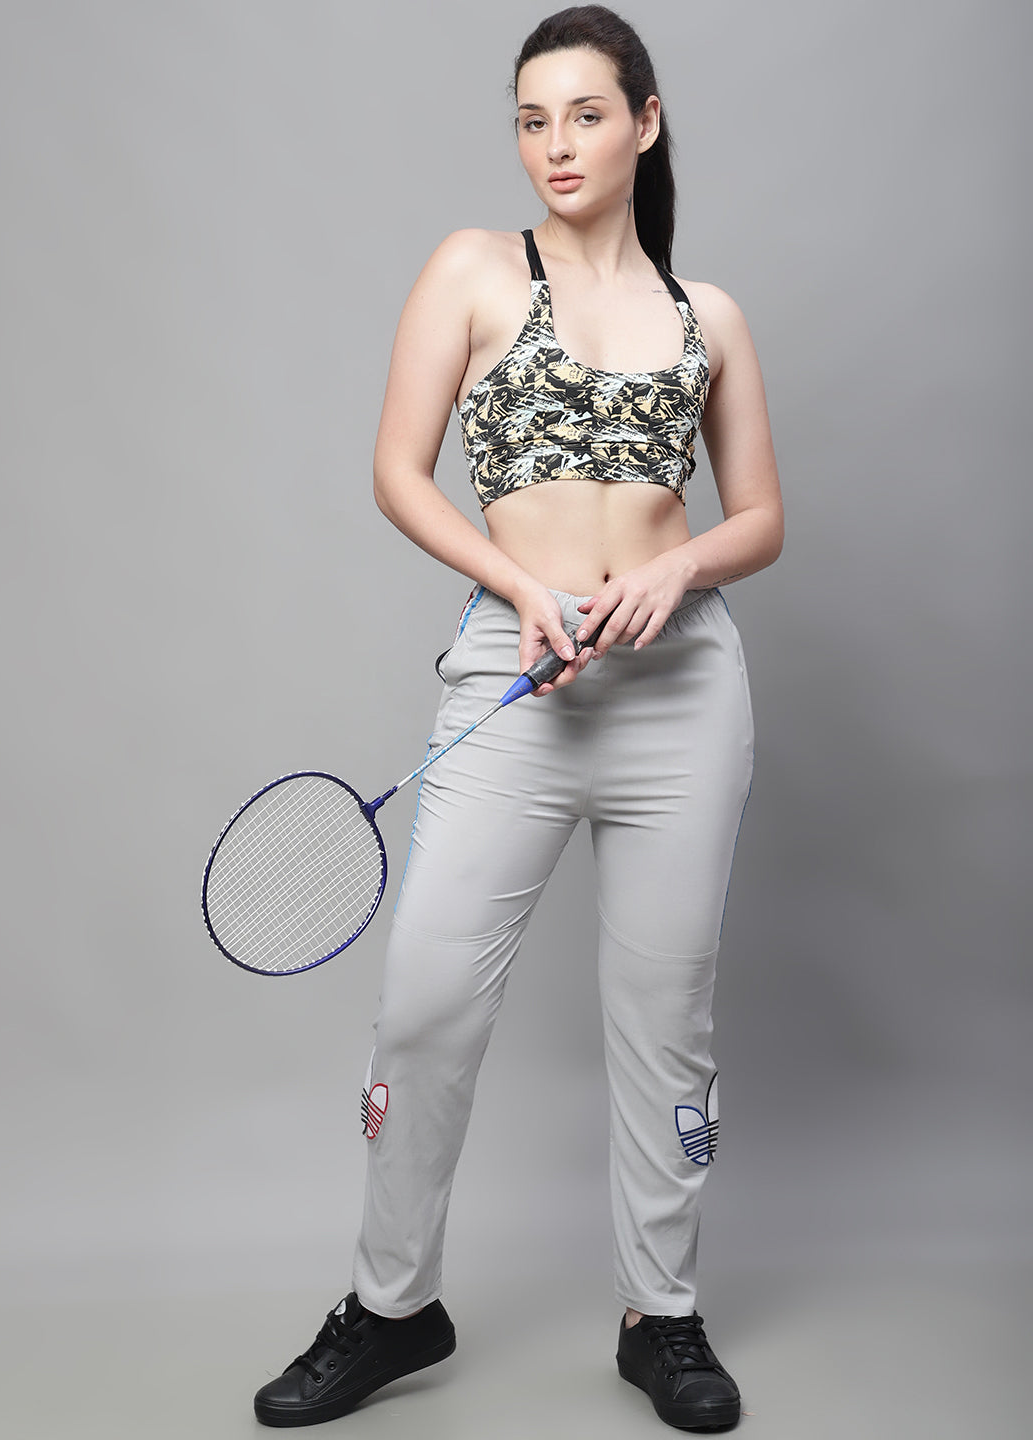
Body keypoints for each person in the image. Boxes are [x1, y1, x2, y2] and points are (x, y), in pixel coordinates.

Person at [254, 5, 782, 1431]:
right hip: (516, 671)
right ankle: (392, 1305)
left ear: (645, 124)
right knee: (427, 1000)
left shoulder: (709, 314)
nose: (557, 145)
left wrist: (675, 568)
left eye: (586, 115)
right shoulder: (476, 269)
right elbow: (398, 470)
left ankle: (661, 1317)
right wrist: (518, 587)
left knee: (665, 1016)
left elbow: (760, 518)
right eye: (533, 120)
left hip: (680, 688)